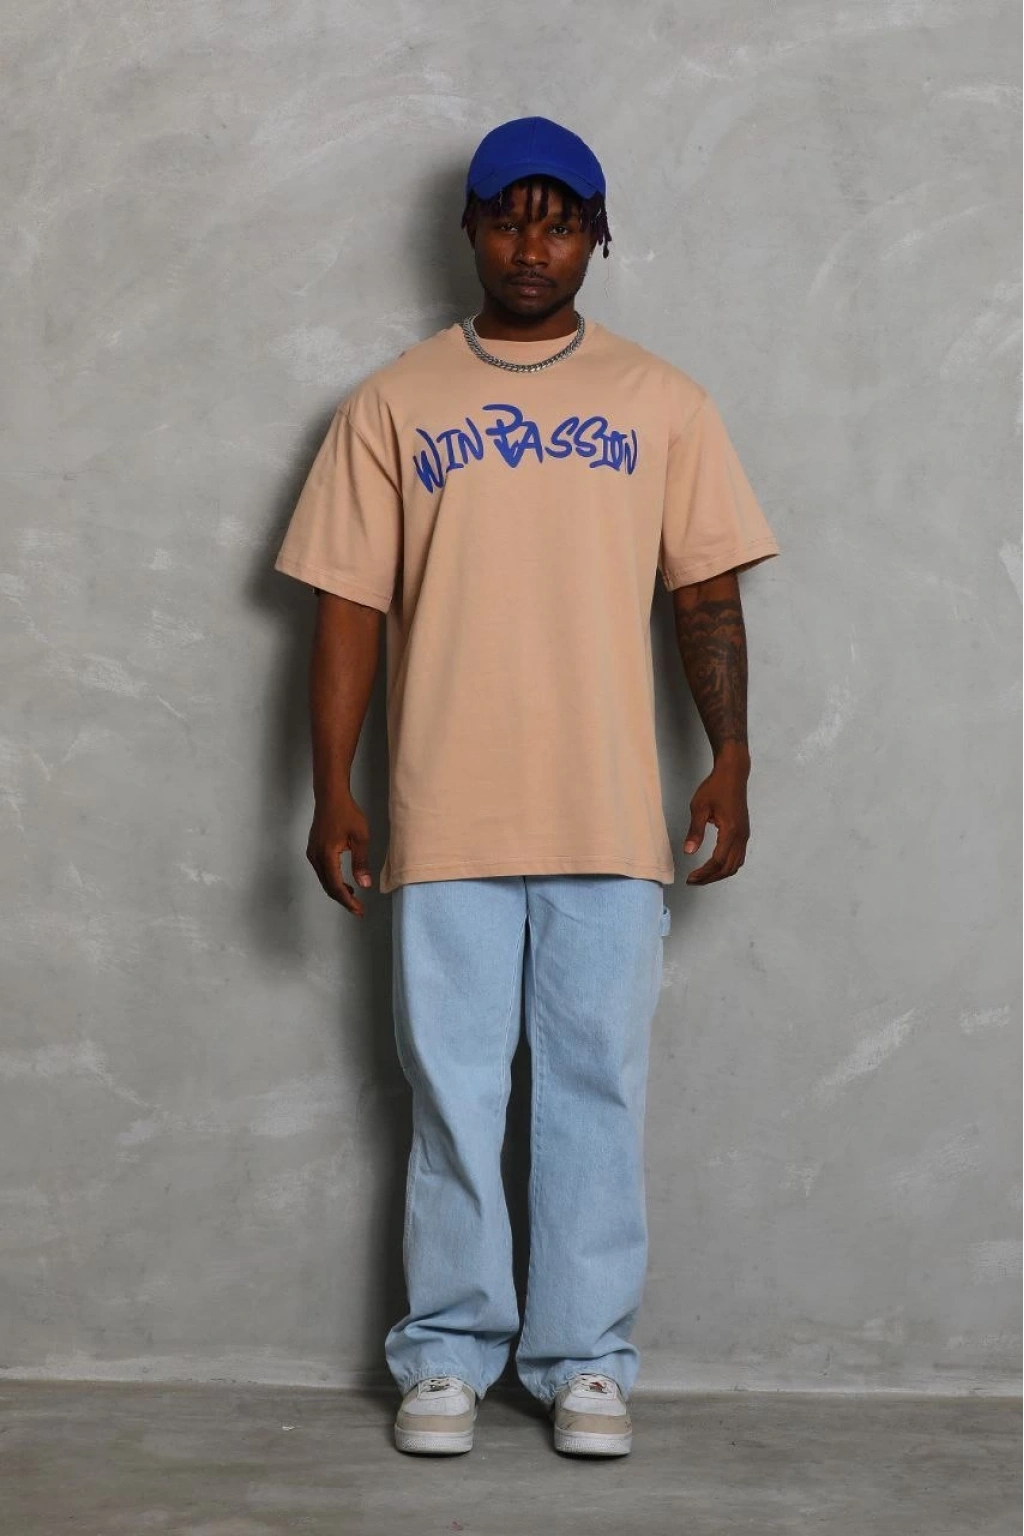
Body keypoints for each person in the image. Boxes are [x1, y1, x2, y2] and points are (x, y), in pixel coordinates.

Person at [272, 115, 780, 1458]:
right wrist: (332, 787)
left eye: (559, 224)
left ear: (598, 236)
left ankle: (582, 1362)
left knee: (594, 1088)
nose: (531, 247)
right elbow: (345, 607)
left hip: (609, 808)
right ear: (471, 230)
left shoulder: (663, 402)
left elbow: (706, 595)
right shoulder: (393, 404)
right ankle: (446, 1352)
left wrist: (730, 755)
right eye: (508, 220)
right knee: (450, 1091)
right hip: (444, 809)